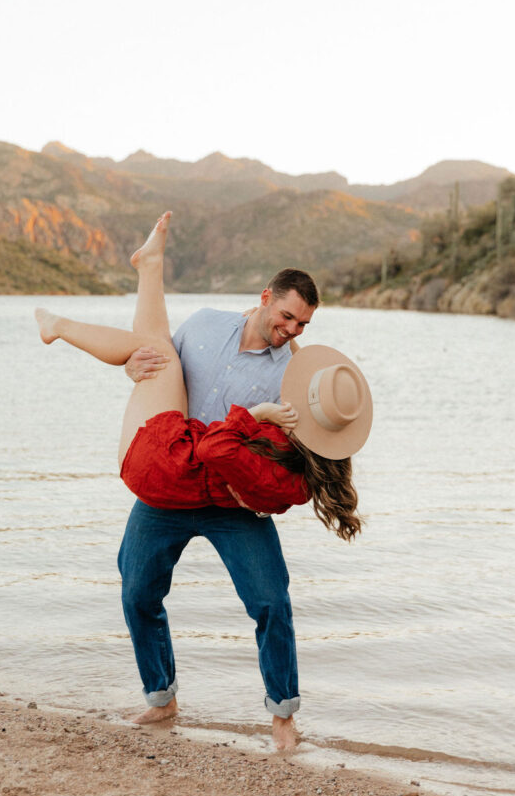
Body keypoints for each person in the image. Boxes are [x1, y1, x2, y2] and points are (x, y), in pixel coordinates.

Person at [35, 213, 371, 749]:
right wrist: (131, 368)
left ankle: (283, 719)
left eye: (303, 324)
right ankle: (162, 699)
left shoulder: (297, 376)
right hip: (172, 481)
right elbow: (154, 360)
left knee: (270, 602)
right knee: (137, 590)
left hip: (232, 502)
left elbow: (312, 447)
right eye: (287, 316)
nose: (292, 330)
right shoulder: (206, 324)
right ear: (265, 297)